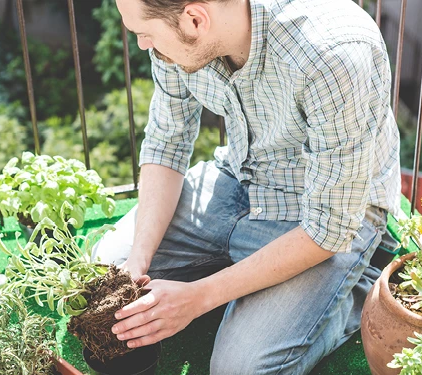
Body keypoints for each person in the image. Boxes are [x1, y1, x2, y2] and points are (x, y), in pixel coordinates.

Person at [93, 0, 401, 373]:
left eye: (144, 34)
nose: (143, 45)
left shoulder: (334, 53)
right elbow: (166, 144)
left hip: (321, 215)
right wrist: (137, 263)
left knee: (238, 369)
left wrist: (197, 298)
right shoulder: (175, 37)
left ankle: (355, 291)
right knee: (106, 272)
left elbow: (329, 227)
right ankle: (243, 282)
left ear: (195, 19)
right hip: (237, 178)